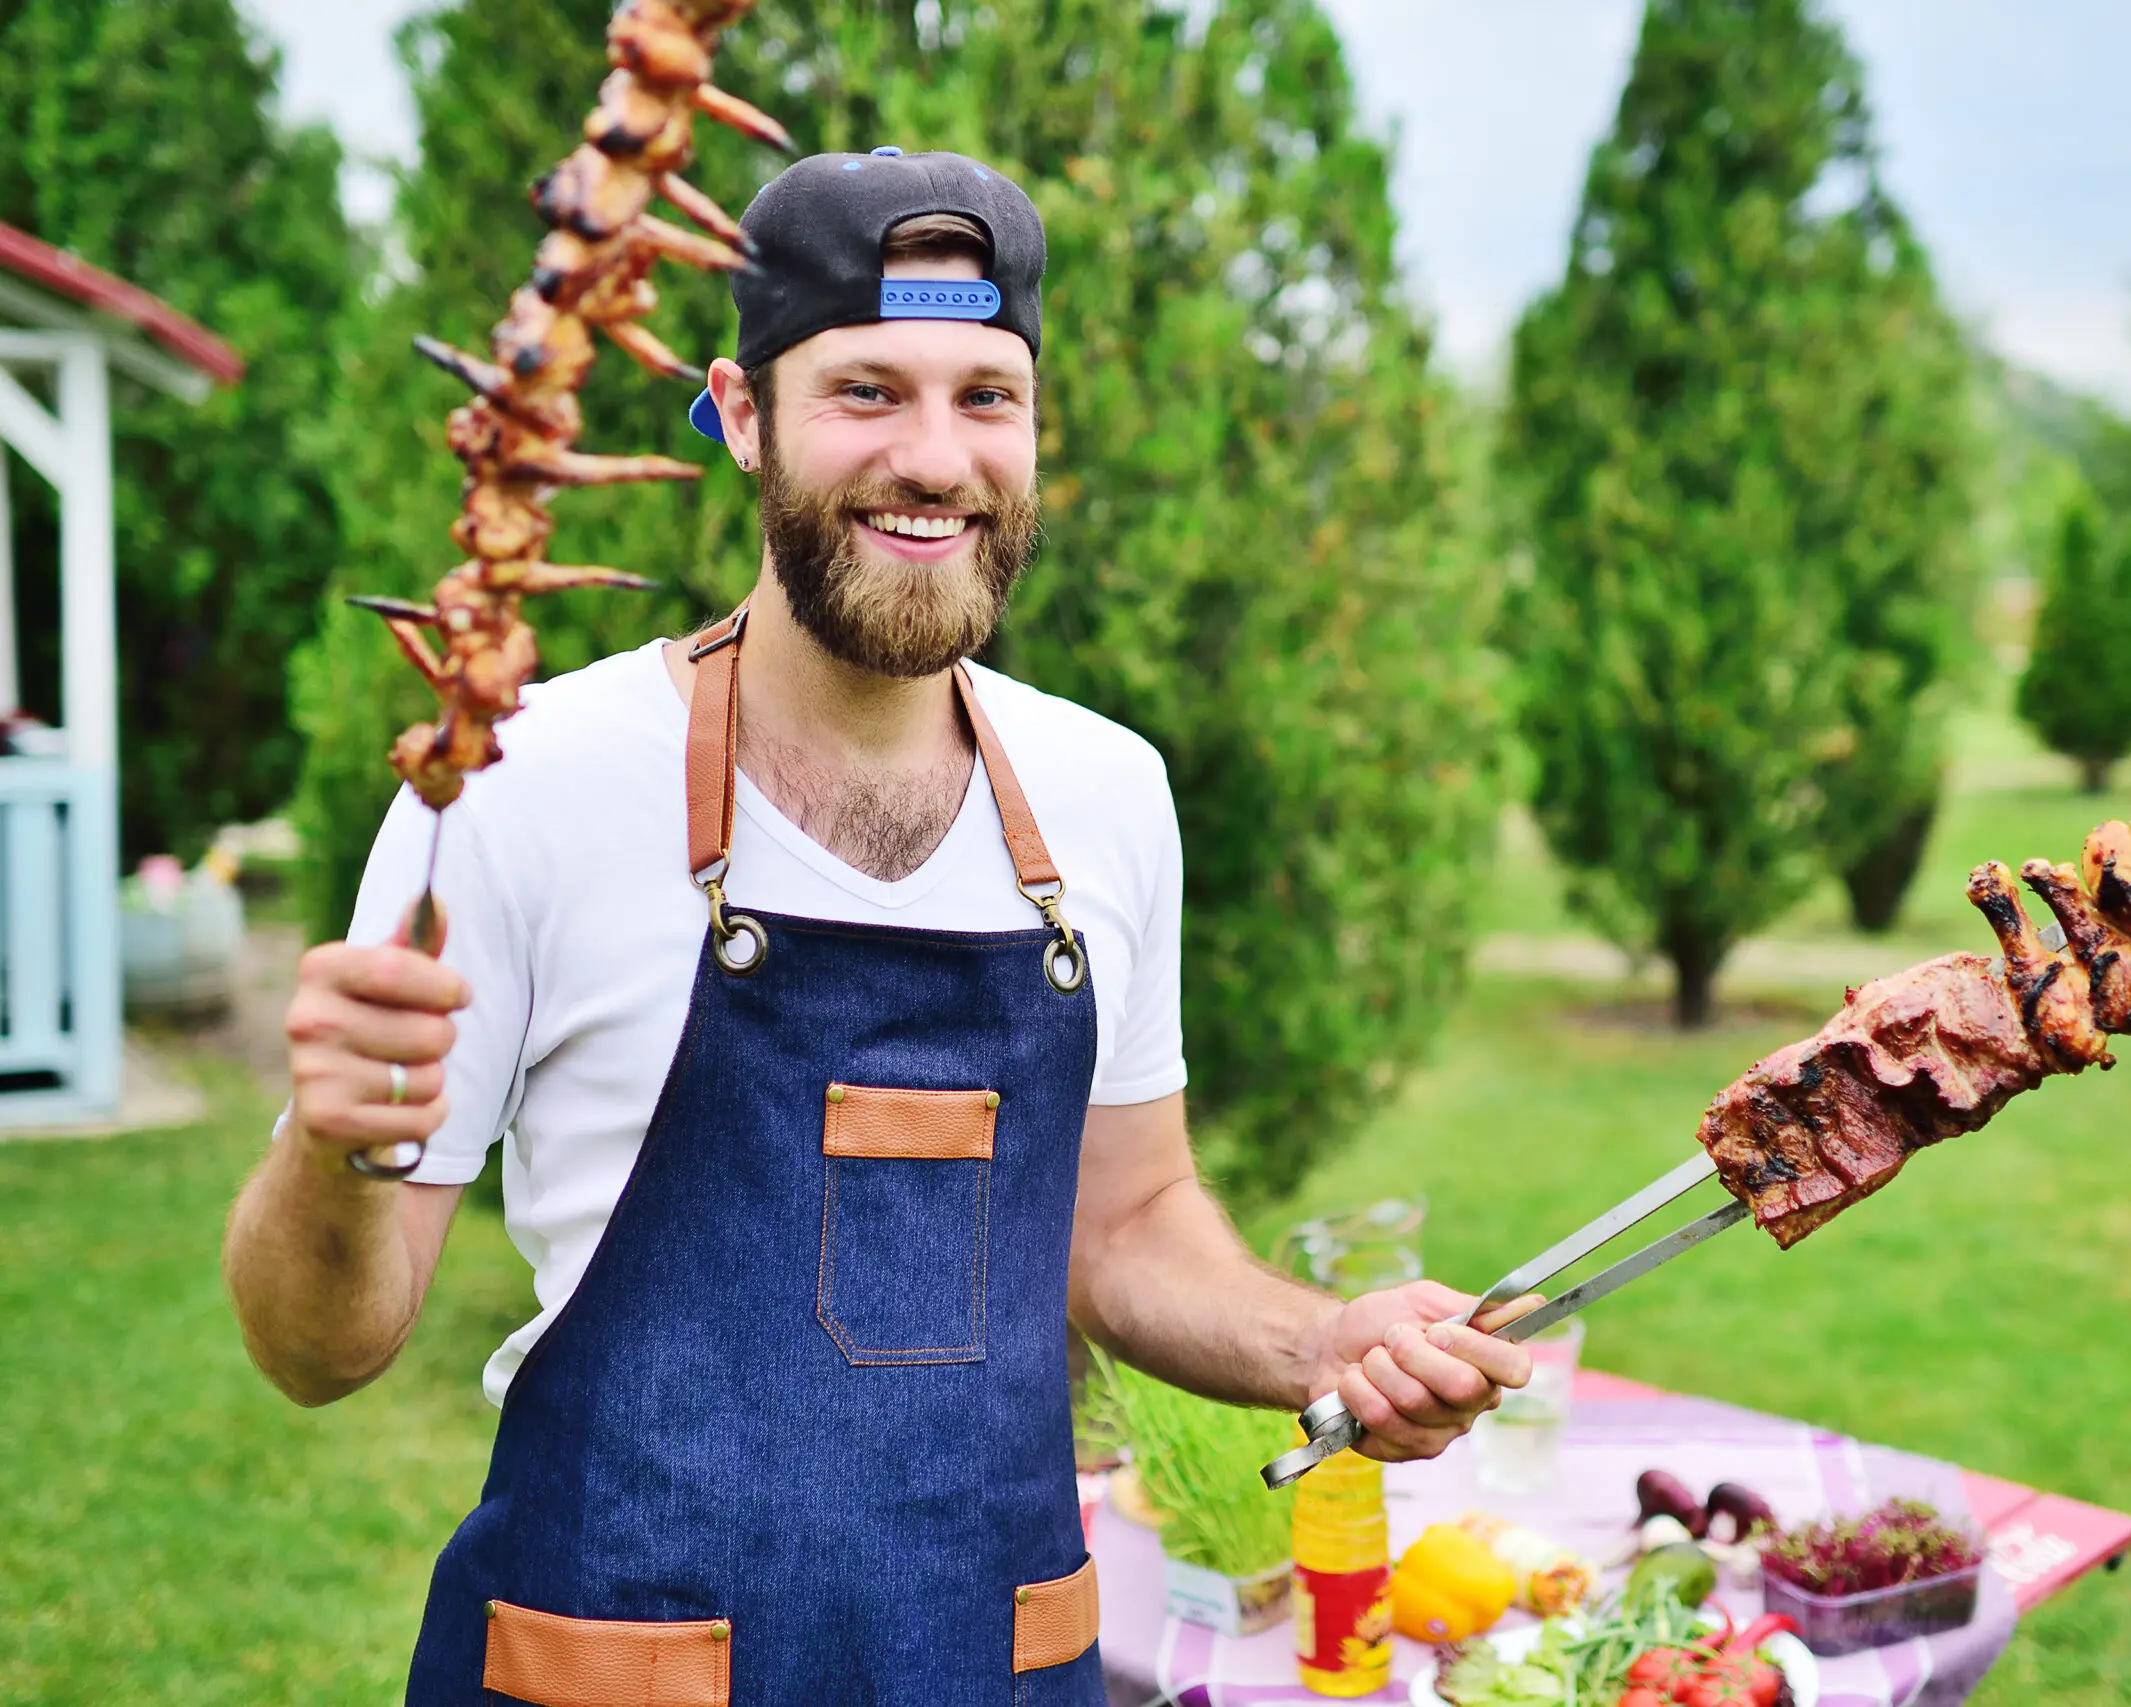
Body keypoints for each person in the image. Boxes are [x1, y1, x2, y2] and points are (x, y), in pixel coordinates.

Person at [221, 148, 1533, 1705]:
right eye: (866, 391)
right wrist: (333, 1144)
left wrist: (1326, 1347)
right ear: (738, 409)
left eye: (989, 396)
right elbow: (322, 1348)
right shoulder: (520, 785)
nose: (936, 456)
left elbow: (1123, 1226)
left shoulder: (1108, 795)